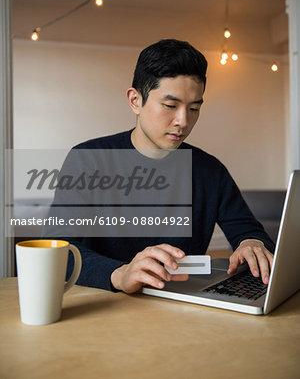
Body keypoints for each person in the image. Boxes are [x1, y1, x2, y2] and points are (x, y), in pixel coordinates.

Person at [47, 39, 275, 293]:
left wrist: (251, 243)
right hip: (102, 304)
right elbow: (56, 249)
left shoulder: (210, 171)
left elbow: (248, 231)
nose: (183, 121)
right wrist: (120, 274)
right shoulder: (87, 160)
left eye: (194, 108)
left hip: (183, 308)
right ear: (135, 100)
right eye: (170, 106)